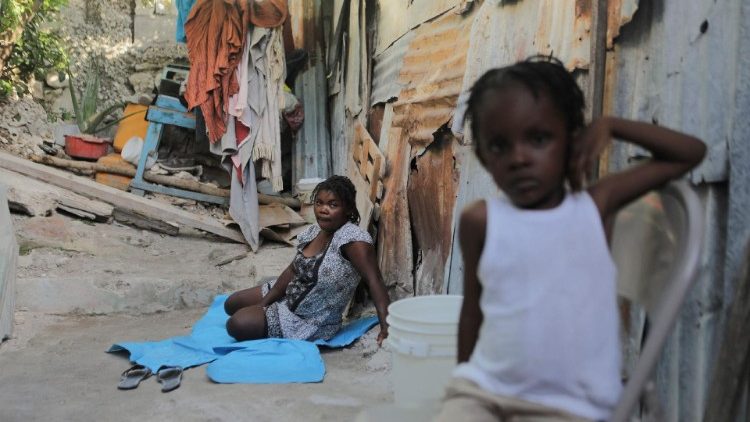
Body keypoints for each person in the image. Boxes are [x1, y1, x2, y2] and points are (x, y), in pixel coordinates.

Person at [436, 56, 706, 421]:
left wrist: (611, 125)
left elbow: (689, 154)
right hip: (485, 392)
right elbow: (473, 310)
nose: (518, 158)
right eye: (499, 146)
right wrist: (460, 385)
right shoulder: (481, 221)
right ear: (483, 156)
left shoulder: (595, 208)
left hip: (570, 406)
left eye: (539, 138)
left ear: (571, 142)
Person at [224, 175, 390, 345]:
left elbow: (374, 280)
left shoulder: (353, 240)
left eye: (333, 205)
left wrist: (387, 327)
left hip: (307, 321)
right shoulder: (314, 231)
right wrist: (264, 304)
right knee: (230, 304)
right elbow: (292, 270)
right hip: (291, 293)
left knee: (236, 324)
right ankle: (266, 310)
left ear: (348, 209)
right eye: (319, 203)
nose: (323, 209)